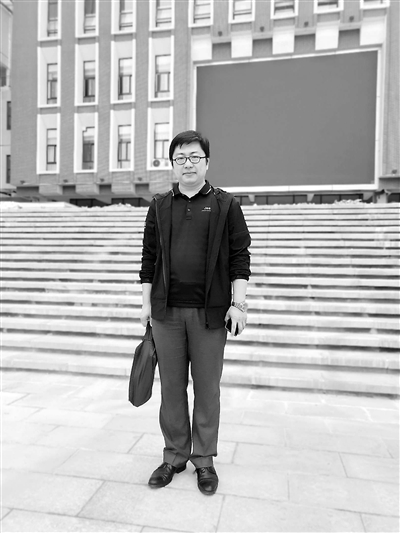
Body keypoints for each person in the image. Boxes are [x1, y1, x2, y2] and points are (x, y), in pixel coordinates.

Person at [139, 130, 251, 496]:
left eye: (194, 157)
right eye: (180, 158)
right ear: (173, 164)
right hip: (167, 313)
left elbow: (240, 258)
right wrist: (146, 305)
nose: (187, 164)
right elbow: (148, 259)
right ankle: (174, 455)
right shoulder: (159, 205)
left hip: (210, 315)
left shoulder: (225, 205)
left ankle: (204, 459)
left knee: (207, 389)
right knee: (171, 388)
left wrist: (238, 304)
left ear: (206, 162)